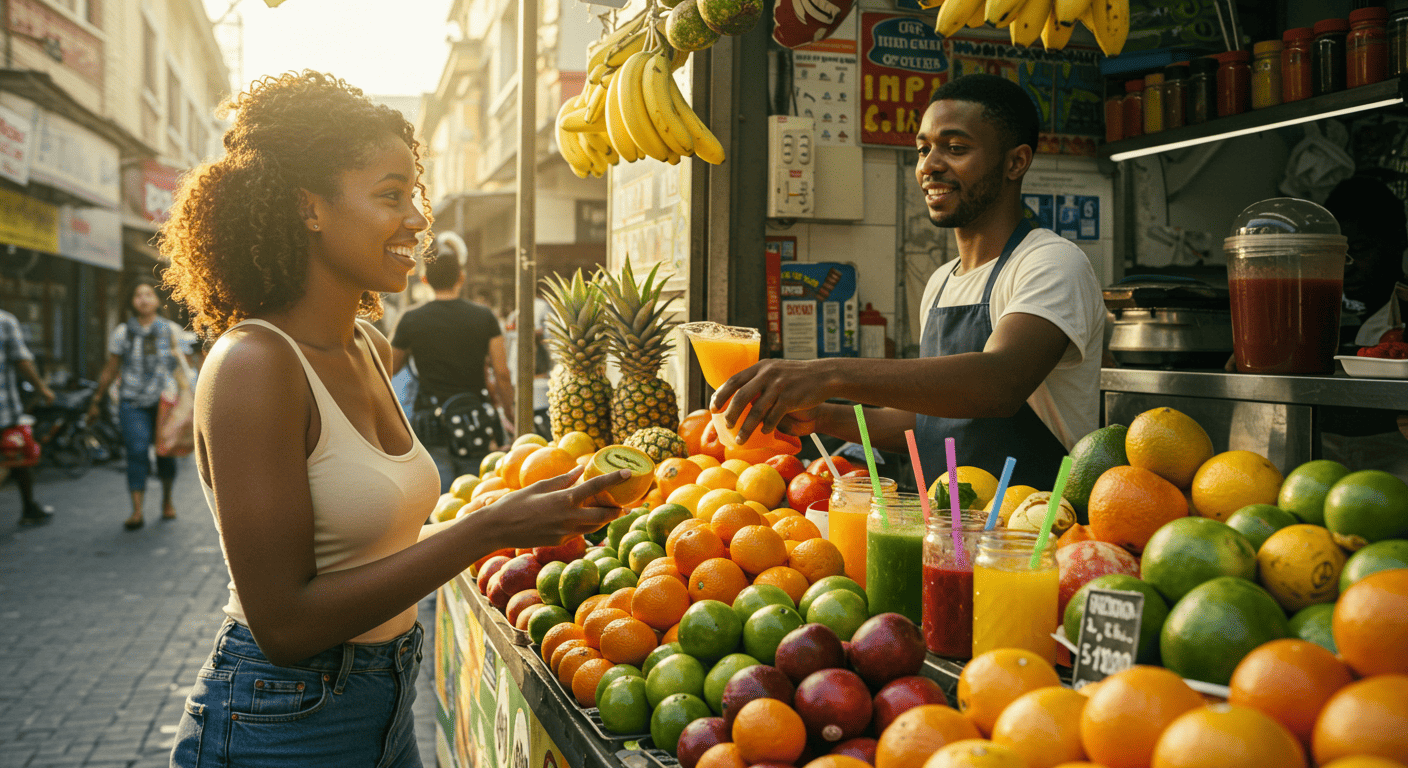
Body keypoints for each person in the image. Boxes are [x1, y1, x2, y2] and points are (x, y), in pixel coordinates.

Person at [156, 71, 625, 767]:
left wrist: (518, 507)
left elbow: (371, 546)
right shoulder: (255, 364)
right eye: (390, 196)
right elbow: (284, 623)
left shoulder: (369, 346)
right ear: (307, 207)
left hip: (386, 700)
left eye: (415, 195)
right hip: (281, 721)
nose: (417, 220)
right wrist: (487, 529)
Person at [714, 74, 1106, 488]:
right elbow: (934, 426)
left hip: (1033, 535)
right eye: (923, 149)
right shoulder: (940, 282)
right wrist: (821, 415)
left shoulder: (1051, 262)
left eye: (955, 149)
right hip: (949, 536)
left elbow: (999, 383)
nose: (929, 166)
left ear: (1016, 162)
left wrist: (827, 374)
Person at [391, 233, 515, 492]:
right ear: (461, 277)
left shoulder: (410, 319)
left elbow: (385, 371)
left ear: (425, 279)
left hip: (429, 423)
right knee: (477, 496)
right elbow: (502, 374)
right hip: (475, 421)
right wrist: (511, 415)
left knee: (440, 500)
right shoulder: (484, 317)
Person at [88, 281, 192, 530]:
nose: (143, 299)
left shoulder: (171, 330)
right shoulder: (123, 332)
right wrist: (97, 398)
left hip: (165, 402)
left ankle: (167, 501)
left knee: (164, 452)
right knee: (136, 451)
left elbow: (183, 366)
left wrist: (187, 397)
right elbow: (112, 366)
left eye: (148, 294)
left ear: (157, 300)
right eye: (138, 294)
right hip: (132, 401)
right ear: (131, 301)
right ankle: (137, 511)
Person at [0, 308, 56, 525]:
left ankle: (29, 507)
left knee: (19, 457)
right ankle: (29, 508)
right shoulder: (5, 321)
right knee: (16, 455)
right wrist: (42, 388)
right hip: (4, 409)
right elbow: (22, 361)